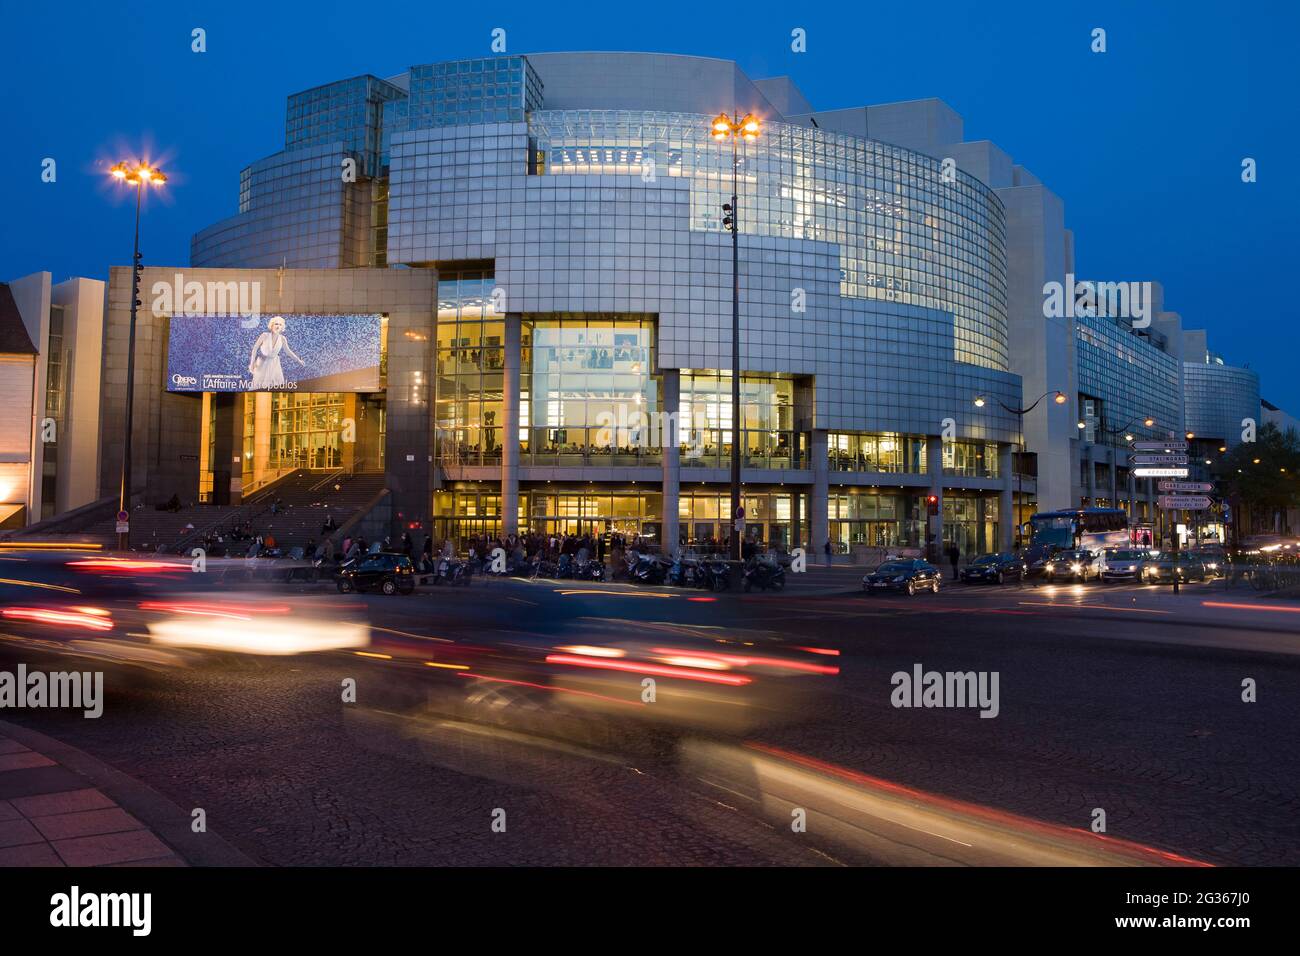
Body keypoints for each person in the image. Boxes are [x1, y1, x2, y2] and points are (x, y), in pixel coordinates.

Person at [248, 315, 306, 389]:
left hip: (274, 364)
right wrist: (252, 363)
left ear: (282, 327)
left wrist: (299, 360)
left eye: (280, 324)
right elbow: (255, 348)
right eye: (276, 324)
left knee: (276, 385)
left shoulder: (282, 339)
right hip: (261, 363)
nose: (278, 326)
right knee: (258, 385)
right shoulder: (264, 335)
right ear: (271, 325)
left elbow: (288, 352)